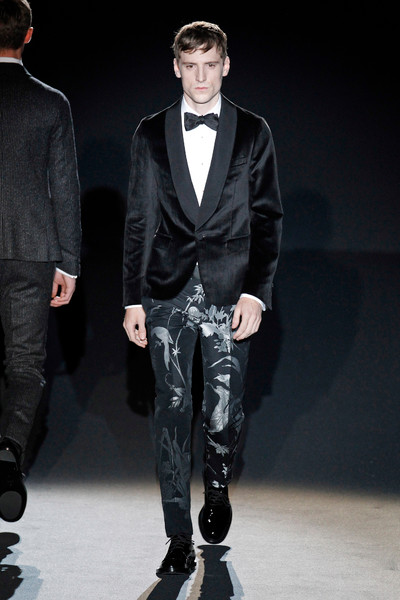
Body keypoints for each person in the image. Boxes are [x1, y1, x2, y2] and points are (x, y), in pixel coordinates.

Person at [123, 21, 282, 576]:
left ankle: (217, 485)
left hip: (229, 291)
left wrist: (256, 293)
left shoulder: (253, 131)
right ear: (176, 67)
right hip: (165, 292)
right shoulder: (150, 133)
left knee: (222, 410)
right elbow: (139, 220)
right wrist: (132, 299)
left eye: (210, 65)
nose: (200, 77)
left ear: (226, 65)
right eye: (190, 66)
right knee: (171, 410)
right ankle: (177, 536)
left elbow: (268, 218)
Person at [0, 0, 81, 522]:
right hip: (31, 250)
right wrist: (68, 262)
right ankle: (9, 451)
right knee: (26, 364)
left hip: (26, 251)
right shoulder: (51, 104)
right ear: (28, 35)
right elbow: (65, 189)